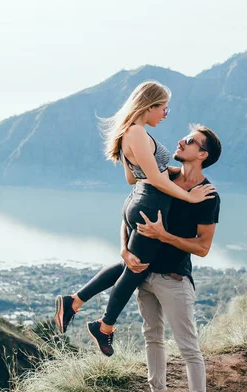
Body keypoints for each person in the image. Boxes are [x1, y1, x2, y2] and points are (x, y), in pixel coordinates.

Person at [57, 124, 221, 392]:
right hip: (142, 273)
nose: (181, 140)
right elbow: (130, 212)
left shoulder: (207, 195)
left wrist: (163, 235)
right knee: (152, 338)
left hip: (174, 278)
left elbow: (203, 247)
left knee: (188, 348)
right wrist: (123, 249)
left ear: (202, 154)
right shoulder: (161, 178)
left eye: (191, 141)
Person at [54, 81, 215, 356]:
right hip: (150, 205)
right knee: (136, 270)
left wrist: (172, 172)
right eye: (164, 108)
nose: (165, 114)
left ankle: (74, 302)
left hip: (138, 200)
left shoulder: (130, 134)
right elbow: (153, 177)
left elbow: (134, 176)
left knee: (130, 264)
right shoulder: (138, 133)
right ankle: (103, 327)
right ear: (149, 106)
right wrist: (190, 197)